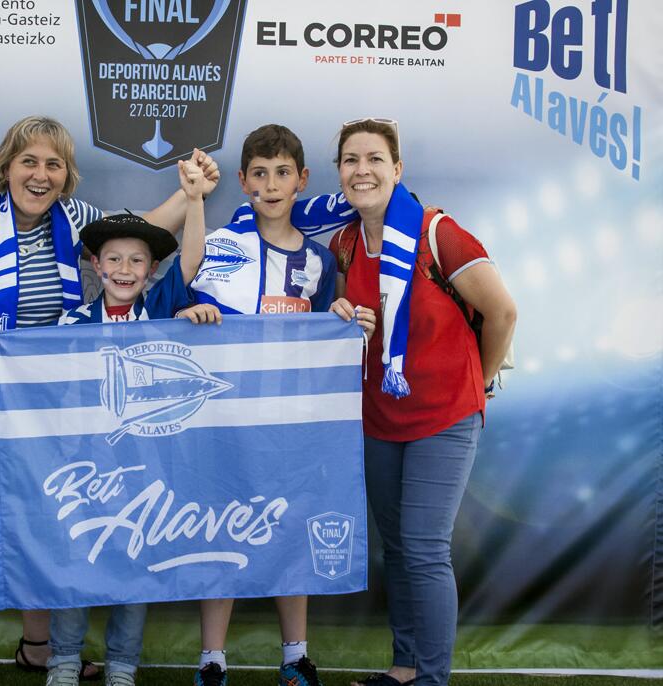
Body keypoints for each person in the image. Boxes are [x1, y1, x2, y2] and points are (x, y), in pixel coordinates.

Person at [0, 115, 219, 686]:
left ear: (66, 177)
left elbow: (136, 233)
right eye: (29, 162)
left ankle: (39, 649)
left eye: (54, 165)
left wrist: (188, 192)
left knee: (41, 519)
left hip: (34, 402)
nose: (41, 176)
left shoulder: (75, 220)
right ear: (6, 166)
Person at [298, 118, 516, 686]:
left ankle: (433, 679)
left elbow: (503, 313)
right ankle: (405, 666)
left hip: (445, 415)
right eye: (350, 160)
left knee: (423, 548)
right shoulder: (344, 242)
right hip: (380, 415)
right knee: (397, 548)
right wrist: (343, 314)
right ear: (339, 172)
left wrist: (479, 384)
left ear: (397, 169)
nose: (361, 170)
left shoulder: (436, 233)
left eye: (374, 159)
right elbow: (350, 316)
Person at [188, 124, 374, 686]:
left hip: (292, 424)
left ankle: (295, 656)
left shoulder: (319, 262)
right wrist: (194, 202)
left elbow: (328, 333)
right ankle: (212, 661)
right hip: (224, 421)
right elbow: (190, 284)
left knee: (291, 529)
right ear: (243, 181)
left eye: (283, 173)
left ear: (302, 180)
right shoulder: (222, 245)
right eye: (260, 174)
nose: (271, 185)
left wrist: (345, 320)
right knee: (219, 531)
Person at [48, 160, 218, 686]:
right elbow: (54, 388)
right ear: (97, 266)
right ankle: (63, 660)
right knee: (75, 559)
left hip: (147, 466)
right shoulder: (70, 322)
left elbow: (190, 261)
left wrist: (195, 200)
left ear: (149, 271)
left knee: (136, 562)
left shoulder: (162, 311)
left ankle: (122, 664)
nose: (125, 268)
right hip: (85, 465)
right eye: (114, 258)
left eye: (137, 260)